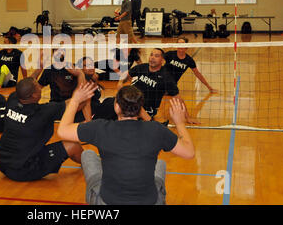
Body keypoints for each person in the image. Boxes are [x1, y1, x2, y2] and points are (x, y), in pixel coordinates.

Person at [57, 83, 195, 205]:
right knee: (160, 164)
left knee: (87, 154)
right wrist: (180, 123)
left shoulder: (100, 128)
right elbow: (189, 152)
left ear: (116, 107)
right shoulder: (157, 130)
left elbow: (62, 131)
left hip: (107, 202)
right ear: (140, 108)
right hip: (150, 202)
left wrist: (75, 101)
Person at [0, 77, 85, 182]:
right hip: (22, 170)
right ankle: (92, 166)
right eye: (38, 87)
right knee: (73, 145)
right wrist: (81, 76)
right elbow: (77, 103)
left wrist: (38, 69)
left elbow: (23, 88)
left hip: (1, 161)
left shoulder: (12, 100)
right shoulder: (43, 113)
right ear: (34, 95)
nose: (41, 88)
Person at [117, 48, 181, 125]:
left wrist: (187, 117)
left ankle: (153, 124)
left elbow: (178, 98)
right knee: (111, 103)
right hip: (132, 99)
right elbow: (127, 74)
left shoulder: (166, 77)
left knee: (131, 111)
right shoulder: (142, 67)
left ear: (162, 61)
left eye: (156, 56)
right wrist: (120, 82)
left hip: (147, 108)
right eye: (151, 55)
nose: (152, 57)